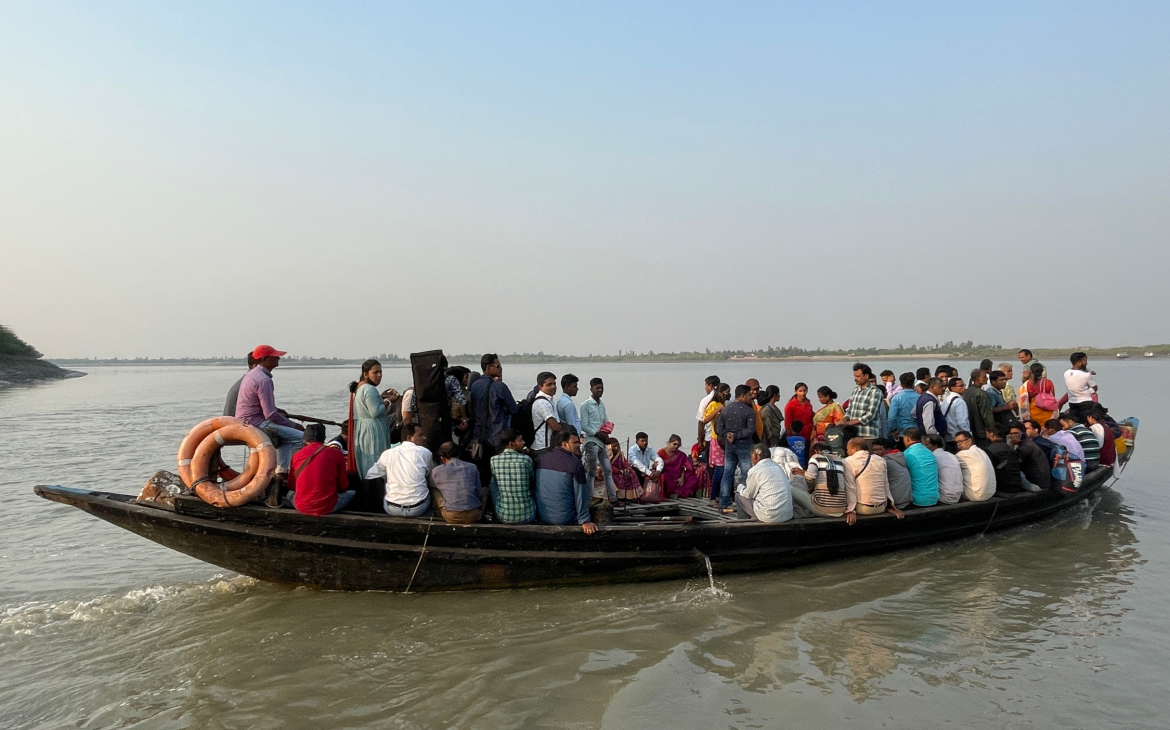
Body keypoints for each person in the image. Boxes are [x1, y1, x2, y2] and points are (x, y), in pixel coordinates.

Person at [235, 345, 305, 474]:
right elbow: (270, 414)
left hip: (245, 419)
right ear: (265, 359)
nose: (278, 358)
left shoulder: (252, 374)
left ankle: (282, 472)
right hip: (255, 421)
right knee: (300, 437)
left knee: (286, 439)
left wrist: (279, 412)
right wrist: (294, 425)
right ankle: (296, 473)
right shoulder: (264, 380)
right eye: (275, 356)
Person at [469, 354, 519, 488]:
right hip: (497, 435)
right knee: (500, 473)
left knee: (484, 473)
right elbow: (514, 409)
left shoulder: (474, 385)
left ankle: (485, 503)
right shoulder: (499, 386)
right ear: (488, 367)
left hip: (480, 435)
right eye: (498, 366)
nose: (501, 369)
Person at [535, 430, 598, 534]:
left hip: (543, 516)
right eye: (575, 442)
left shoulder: (540, 459)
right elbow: (580, 495)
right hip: (564, 518)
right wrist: (585, 520)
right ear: (564, 444)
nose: (579, 445)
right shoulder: (575, 464)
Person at [366, 423, 433, 517]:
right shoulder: (425, 453)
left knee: (386, 475)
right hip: (418, 508)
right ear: (410, 438)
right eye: (420, 435)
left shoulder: (388, 454)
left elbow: (370, 474)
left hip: (392, 508)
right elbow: (430, 478)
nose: (424, 438)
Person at [286, 424, 354, 515]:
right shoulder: (336, 454)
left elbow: (292, 486)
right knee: (352, 493)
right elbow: (343, 486)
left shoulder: (296, 456)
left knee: (289, 494)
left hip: (302, 506)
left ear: (305, 439)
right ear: (324, 438)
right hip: (328, 507)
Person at [348, 359, 397, 479]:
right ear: (365, 374)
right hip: (372, 431)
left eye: (380, 372)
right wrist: (389, 401)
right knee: (376, 460)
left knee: (366, 461)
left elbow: (367, 405)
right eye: (375, 372)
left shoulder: (360, 387)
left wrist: (380, 397)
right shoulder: (370, 389)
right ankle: (376, 487)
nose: (379, 375)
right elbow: (375, 412)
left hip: (363, 429)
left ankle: (367, 487)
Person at [840, 437, 904, 522]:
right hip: (881, 507)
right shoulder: (880, 460)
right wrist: (891, 506)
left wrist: (850, 510)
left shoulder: (848, 461)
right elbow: (885, 485)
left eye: (847, 449)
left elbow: (850, 488)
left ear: (854, 449)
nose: (847, 452)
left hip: (863, 509)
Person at [718, 384, 757, 513]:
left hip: (729, 446)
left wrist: (728, 435)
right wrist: (737, 435)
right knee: (747, 474)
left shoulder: (725, 410)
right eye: (749, 395)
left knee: (727, 473)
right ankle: (747, 501)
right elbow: (751, 430)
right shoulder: (748, 411)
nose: (751, 398)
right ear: (742, 395)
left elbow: (719, 429)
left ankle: (724, 501)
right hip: (744, 445)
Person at [579, 377, 618, 504]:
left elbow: (606, 422)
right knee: (591, 471)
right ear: (591, 389)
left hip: (601, 442)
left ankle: (613, 498)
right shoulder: (585, 405)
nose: (600, 390)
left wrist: (606, 434)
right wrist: (597, 433)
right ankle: (589, 497)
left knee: (608, 470)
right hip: (591, 441)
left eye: (601, 388)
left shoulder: (602, 405)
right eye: (597, 388)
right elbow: (583, 425)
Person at [734, 444, 793, 523]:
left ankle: (743, 525)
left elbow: (748, 495)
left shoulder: (755, 470)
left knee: (739, 495)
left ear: (756, 457)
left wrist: (740, 487)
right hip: (787, 514)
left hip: (769, 516)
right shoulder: (778, 467)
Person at [489, 428, 536, 524]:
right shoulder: (526, 459)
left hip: (504, 516)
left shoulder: (493, 460)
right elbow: (532, 480)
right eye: (520, 440)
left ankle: (495, 514)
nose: (523, 442)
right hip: (528, 515)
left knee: (493, 483)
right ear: (511, 443)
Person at [431, 442, 484, 524]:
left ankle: (438, 514)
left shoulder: (436, 471)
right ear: (458, 453)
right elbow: (479, 493)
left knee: (434, 489)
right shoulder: (472, 467)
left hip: (451, 516)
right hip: (474, 515)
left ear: (442, 457)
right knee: (486, 490)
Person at [791, 444, 848, 518]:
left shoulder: (816, 457)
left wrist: (809, 488)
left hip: (821, 508)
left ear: (815, 451)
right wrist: (804, 473)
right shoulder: (840, 460)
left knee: (789, 488)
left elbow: (810, 478)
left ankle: (800, 516)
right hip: (840, 510)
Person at [840, 363, 884, 442]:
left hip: (868, 435)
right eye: (854, 376)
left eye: (858, 376)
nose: (855, 379)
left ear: (866, 376)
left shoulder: (875, 391)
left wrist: (850, 423)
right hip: (854, 435)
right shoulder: (856, 390)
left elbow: (870, 415)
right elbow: (849, 409)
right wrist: (845, 419)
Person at [901, 428, 939, 507]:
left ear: (907, 438)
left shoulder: (907, 454)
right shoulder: (929, 452)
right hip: (934, 497)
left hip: (917, 500)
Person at [954, 430, 996, 502]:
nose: (958, 444)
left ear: (970, 440)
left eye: (961, 441)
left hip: (975, 496)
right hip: (991, 493)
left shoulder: (962, 454)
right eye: (957, 442)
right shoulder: (981, 451)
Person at [1007, 424, 1050, 493]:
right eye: (1011, 434)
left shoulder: (1026, 447)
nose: (1013, 436)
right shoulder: (1028, 443)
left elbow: (1013, 463)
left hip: (1037, 486)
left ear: (1023, 434)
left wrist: (1011, 444)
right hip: (1041, 483)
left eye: (1016, 433)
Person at [871, 439, 912, 509]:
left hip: (896, 502)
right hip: (907, 499)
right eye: (874, 450)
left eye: (879, 450)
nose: (875, 453)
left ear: (887, 449)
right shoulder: (898, 456)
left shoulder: (884, 461)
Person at [529, 371, 562, 456]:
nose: (553, 387)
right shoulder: (543, 403)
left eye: (554, 384)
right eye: (549, 384)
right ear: (540, 386)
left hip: (540, 446)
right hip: (543, 447)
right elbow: (554, 426)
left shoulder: (546, 400)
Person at [983, 424, 1024, 492]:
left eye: (987, 433)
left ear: (991, 434)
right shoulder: (1011, 449)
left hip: (1002, 488)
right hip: (1017, 485)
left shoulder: (989, 450)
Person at [925, 434, 963, 504]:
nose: (925, 447)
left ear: (935, 445)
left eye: (927, 445)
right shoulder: (951, 455)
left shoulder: (932, 457)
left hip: (944, 497)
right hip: (958, 495)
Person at [963, 369, 995, 448]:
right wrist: (992, 428)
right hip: (981, 431)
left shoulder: (966, 392)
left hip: (971, 429)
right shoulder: (981, 393)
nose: (986, 379)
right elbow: (986, 415)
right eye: (984, 377)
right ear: (977, 379)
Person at [1064, 352, 1098, 424]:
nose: (1086, 363)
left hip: (1072, 402)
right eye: (1085, 361)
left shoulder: (1066, 373)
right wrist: (1090, 391)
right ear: (1079, 362)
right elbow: (1095, 387)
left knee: (1075, 423)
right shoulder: (1086, 375)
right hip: (1086, 402)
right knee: (1086, 423)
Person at [1020, 361, 1058, 426]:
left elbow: (1025, 400)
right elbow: (1052, 397)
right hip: (1048, 412)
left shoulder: (1027, 384)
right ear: (1042, 371)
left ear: (1030, 372)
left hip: (1033, 413)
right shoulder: (1048, 382)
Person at [223, 352, 256, 416]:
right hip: (236, 422)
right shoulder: (253, 382)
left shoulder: (247, 380)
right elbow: (267, 411)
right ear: (256, 365)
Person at [886, 373, 919, 438]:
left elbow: (891, 417)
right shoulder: (920, 397)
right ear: (913, 383)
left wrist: (892, 430)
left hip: (902, 433)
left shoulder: (897, 398)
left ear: (901, 384)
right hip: (917, 431)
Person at [942, 378, 970, 450]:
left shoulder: (946, 399)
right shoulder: (960, 402)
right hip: (958, 437)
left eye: (964, 385)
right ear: (952, 388)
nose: (964, 388)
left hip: (948, 436)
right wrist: (969, 435)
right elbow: (962, 422)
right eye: (961, 386)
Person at [696, 375, 720, 443]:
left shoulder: (705, 400)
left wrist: (700, 441)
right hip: (725, 437)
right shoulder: (730, 398)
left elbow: (701, 422)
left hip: (710, 437)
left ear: (710, 386)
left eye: (706, 385)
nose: (705, 388)